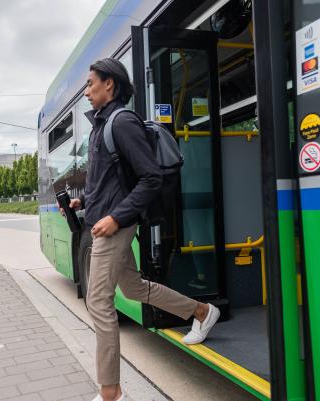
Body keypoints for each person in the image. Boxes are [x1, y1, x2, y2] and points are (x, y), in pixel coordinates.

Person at [65, 58, 221, 401]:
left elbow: (150, 178)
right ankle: (202, 311)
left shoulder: (122, 122)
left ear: (110, 84)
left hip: (113, 227)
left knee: (98, 302)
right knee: (133, 288)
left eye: (91, 83)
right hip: (103, 221)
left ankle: (111, 392)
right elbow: (110, 182)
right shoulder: (101, 126)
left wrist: (117, 218)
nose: (87, 91)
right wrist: (86, 203)